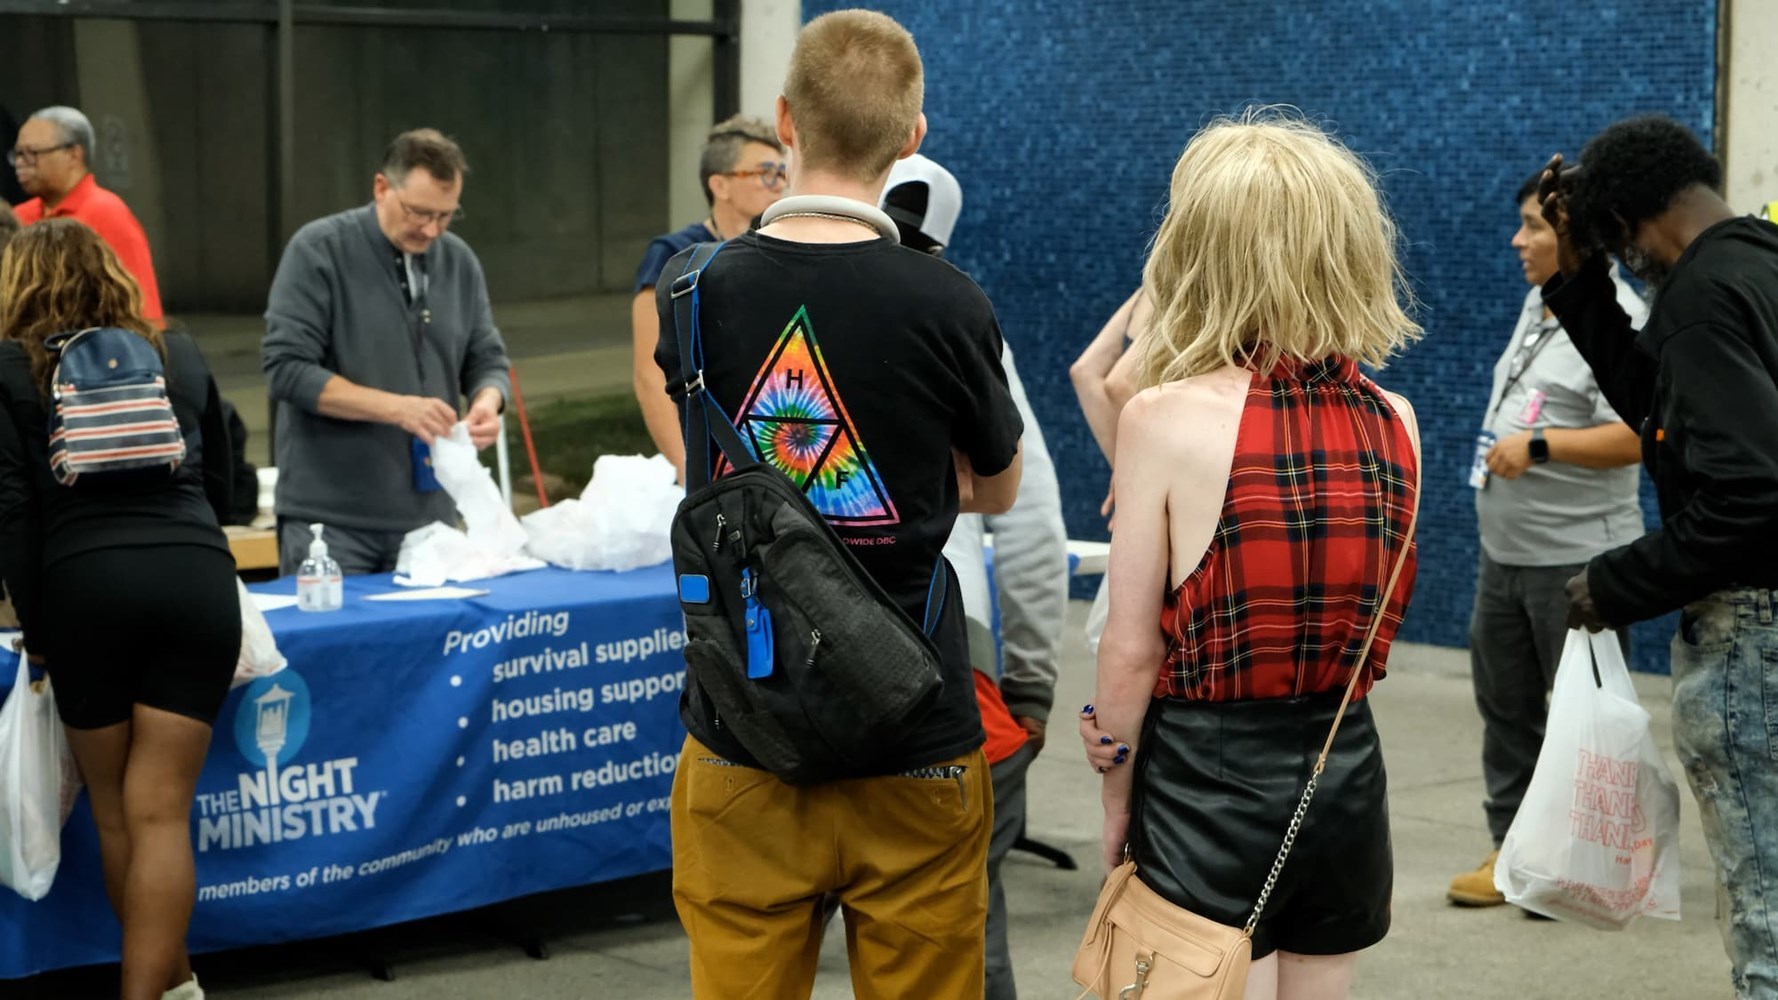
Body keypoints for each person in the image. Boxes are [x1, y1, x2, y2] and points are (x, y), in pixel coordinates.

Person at [657, 11, 1023, 998]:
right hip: (915, 731)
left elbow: (703, 468)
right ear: (911, 137)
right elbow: (995, 485)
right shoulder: (949, 303)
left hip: (744, 731)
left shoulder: (693, 295)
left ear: (784, 122)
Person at [1079, 112, 1421, 1000]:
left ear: (1197, 255)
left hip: (1206, 777)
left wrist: (1115, 791)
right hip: (1343, 770)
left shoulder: (1162, 419)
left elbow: (1129, 650)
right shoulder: (1397, 421)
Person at [1542, 115, 1778, 997]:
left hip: (1757, 637)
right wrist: (1583, 287)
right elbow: (1671, 412)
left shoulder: (1699, 301)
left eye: (1616, 242)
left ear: (1635, 220)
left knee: (1770, 919)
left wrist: (1616, 581)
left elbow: (1750, 494)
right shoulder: (1759, 265)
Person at [0, 219, 237, 1000]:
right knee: (164, 813)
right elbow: (226, 488)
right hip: (195, 582)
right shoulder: (178, 353)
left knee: (115, 814)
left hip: (84, 590)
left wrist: (36, 630)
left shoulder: (9, 370)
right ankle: (176, 990)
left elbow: (14, 515)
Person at [887, 152, 1067, 1000]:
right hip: (945, 644)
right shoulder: (963, 322)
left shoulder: (758, 291)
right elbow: (1029, 520)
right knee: (958, 912)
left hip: (789, 647)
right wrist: (1030, 683)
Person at [1447, 172, 1647, 908]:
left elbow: (1640, 435)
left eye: (1533, 225)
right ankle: (1514, 849)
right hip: (1504, 554)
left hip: (1576, 559)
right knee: (1507, 709)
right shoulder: (1539, 304)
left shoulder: (1618, 315)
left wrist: (1540, 448)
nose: (1518, 239)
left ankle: (1589, 865)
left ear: (1575, 232)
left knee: (1585, 722)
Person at [262, 128, 511, 575]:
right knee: (333, 646)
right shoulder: (318, 251)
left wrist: (487, 402)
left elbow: (487, 357)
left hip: (431, 521)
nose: (431, 229)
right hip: (332, 524)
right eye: (418, 212)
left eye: (446, 215)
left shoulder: (459, 262)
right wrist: (397, 409)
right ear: (381, 188)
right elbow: (287, 370)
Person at [631, 115, 787, 477]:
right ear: (720, 184)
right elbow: (648, 375)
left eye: (782, 172)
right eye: (765, 172)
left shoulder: (776, 252)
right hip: (704, 444)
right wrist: (688, 468)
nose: (778, 184)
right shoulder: (672, 254)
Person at [8, 106, 164, 324]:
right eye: (18, 154)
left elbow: (141, 309)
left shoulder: (107, 214)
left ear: (73, 154)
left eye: (32, 153)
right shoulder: (18, 216)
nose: (21, 164)